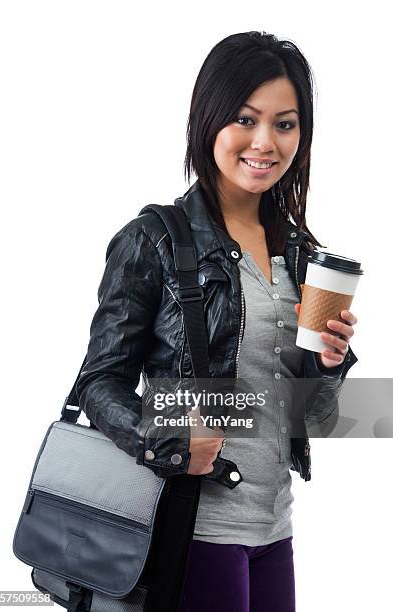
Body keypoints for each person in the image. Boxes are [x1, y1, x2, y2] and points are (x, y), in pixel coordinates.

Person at [76, 31, 359, 612]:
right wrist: (172, 440)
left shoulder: (300, 251)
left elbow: (307, 413)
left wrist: (328, 364)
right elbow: (98, 384)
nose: (265, 142)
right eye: (246, 119)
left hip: (274, 524)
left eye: (285, 123)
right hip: (194, 528)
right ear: (207, 121)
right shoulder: (153, 240)